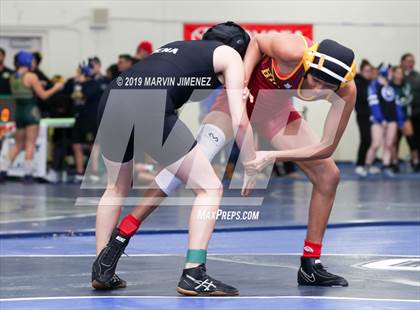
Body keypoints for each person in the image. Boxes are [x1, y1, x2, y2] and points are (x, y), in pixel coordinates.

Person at [111, 32, 357, 288]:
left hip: (277, 113)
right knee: (187, 166)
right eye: (315, 80)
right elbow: (258, 42)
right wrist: (242, 85)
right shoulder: (292, 49)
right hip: (235, 105)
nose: (317, 90)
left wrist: (271, 155)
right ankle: (121, 236)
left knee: (329, 176)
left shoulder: (347, 91)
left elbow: (327, 147)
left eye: (327, 87)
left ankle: (310, 265)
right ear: (308, 64)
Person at [91, 22, 257, 295]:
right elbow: (239, 122)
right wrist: (250, 162)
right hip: (148, 103)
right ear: (239, 48)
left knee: (116, 187)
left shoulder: (176, 48)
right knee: (210, 188)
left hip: (112, 97)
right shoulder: (231, 56)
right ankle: (194, 273)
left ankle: (102, 267)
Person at [0, 50, 62, 182]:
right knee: (30, 143)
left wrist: (39, 85)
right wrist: (56, 87)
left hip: (19, 112)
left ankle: (3, 169)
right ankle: (28, 174)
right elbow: (43, 96)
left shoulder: (13, 76)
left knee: (18, 144)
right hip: (31, 112)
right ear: (28, 62)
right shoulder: (31, 76)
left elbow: (24, 88)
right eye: (32, 61)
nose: (34, 63)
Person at [365, 64, 404, 176]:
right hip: (378, 120)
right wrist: (381, 119)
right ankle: (367, 166)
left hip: (392, 119)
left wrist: (400, 120)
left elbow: (397, 105)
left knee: (389, 144)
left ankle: (386, 165)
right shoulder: (374, 85)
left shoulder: (392, 86)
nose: (393, 74)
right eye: (391, 72)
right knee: (376, 144)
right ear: (384, 72)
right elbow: (373, 105)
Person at [391, 66, 418, 171]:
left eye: (401, 73)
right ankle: (394, 162)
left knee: (411, 139)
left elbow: (408, 99)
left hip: (404, 116)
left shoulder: (406, 86)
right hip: (392, 118)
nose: (399, 75)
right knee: (393, 141)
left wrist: (399, 101)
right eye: (397, 73)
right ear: (393, 74)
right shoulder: (389, 86)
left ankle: (415, 161)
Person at [400, 53, 420, 172]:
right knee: (394, 139)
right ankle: (392, 163)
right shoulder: (398, 75)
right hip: (399, 114)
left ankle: (416, 161)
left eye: (413, 61)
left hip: (416, 113)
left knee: (415, 138)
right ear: (402, 62)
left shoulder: (417, 77)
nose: (411, 63)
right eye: (408, 61)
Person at [354, 60, 374, 176]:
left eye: (370, 71)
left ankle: (368, 164)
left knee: (373, 141)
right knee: (365, 139)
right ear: (361, 71)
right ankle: (360, 164)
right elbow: (363, 97)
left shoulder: (370, 82)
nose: (368, 73)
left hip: (372, 116)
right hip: (363, 115)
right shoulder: (358, 82)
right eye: (366, 71)